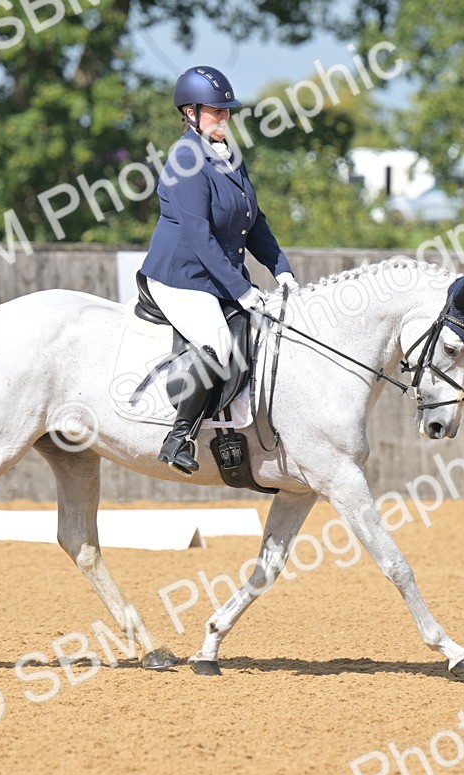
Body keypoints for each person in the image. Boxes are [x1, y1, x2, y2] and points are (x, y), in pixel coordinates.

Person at [139, 65, 298, 474]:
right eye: (215, 110)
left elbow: (254, 220)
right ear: (190, 113)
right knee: (216, 343)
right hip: (181, 278)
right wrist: (241, 289)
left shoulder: (228, 155)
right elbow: (199, 234)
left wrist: (281, 269)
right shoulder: (185, 158)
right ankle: (179, 438)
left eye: (227, 111)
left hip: (217, 277)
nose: (224, 116)